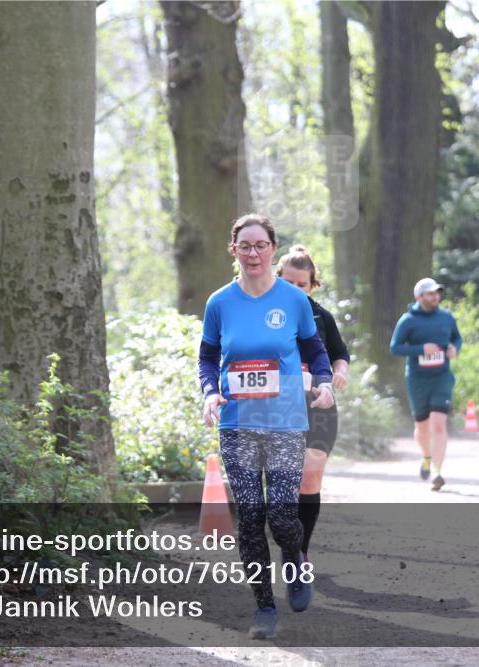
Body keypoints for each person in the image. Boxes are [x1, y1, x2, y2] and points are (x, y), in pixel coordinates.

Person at [198, 214, 335, 639]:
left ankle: (294, 560)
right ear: (234, 250)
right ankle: (263, 608)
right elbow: (207, 357)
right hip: (238, 423)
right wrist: (208, 392)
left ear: (272, 249)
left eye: (260, 245)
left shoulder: (294, 301)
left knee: (280, 512)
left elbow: (314, 346)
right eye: (245, 245)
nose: (253, 253)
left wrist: (326, 380)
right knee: (251, 517)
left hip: (285, 422)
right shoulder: (219, 303)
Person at [276, 245, 350, 566]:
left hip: (317, 402)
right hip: (275, 406)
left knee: (311, 472)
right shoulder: (264, 317)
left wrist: (340, 373)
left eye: (301, 285)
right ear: (276, 279)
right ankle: (283, 534)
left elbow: (339, 353)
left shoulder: (321, 316)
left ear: (312, 285)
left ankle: (299, 551)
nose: (294, 290)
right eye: (288, 283)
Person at [390, 278, 462, 491]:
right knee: (421, 428)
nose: (435, 297)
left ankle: (437, 472)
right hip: (417, 379)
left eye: (437, 293)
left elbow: (457, 338)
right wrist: (421, 349)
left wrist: (454, 349)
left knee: (439, 424)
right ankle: (427, 457)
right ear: (419, 297)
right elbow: (395, 348)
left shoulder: (446, 317)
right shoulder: (408, 320)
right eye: (430, 294)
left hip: (442, 377)